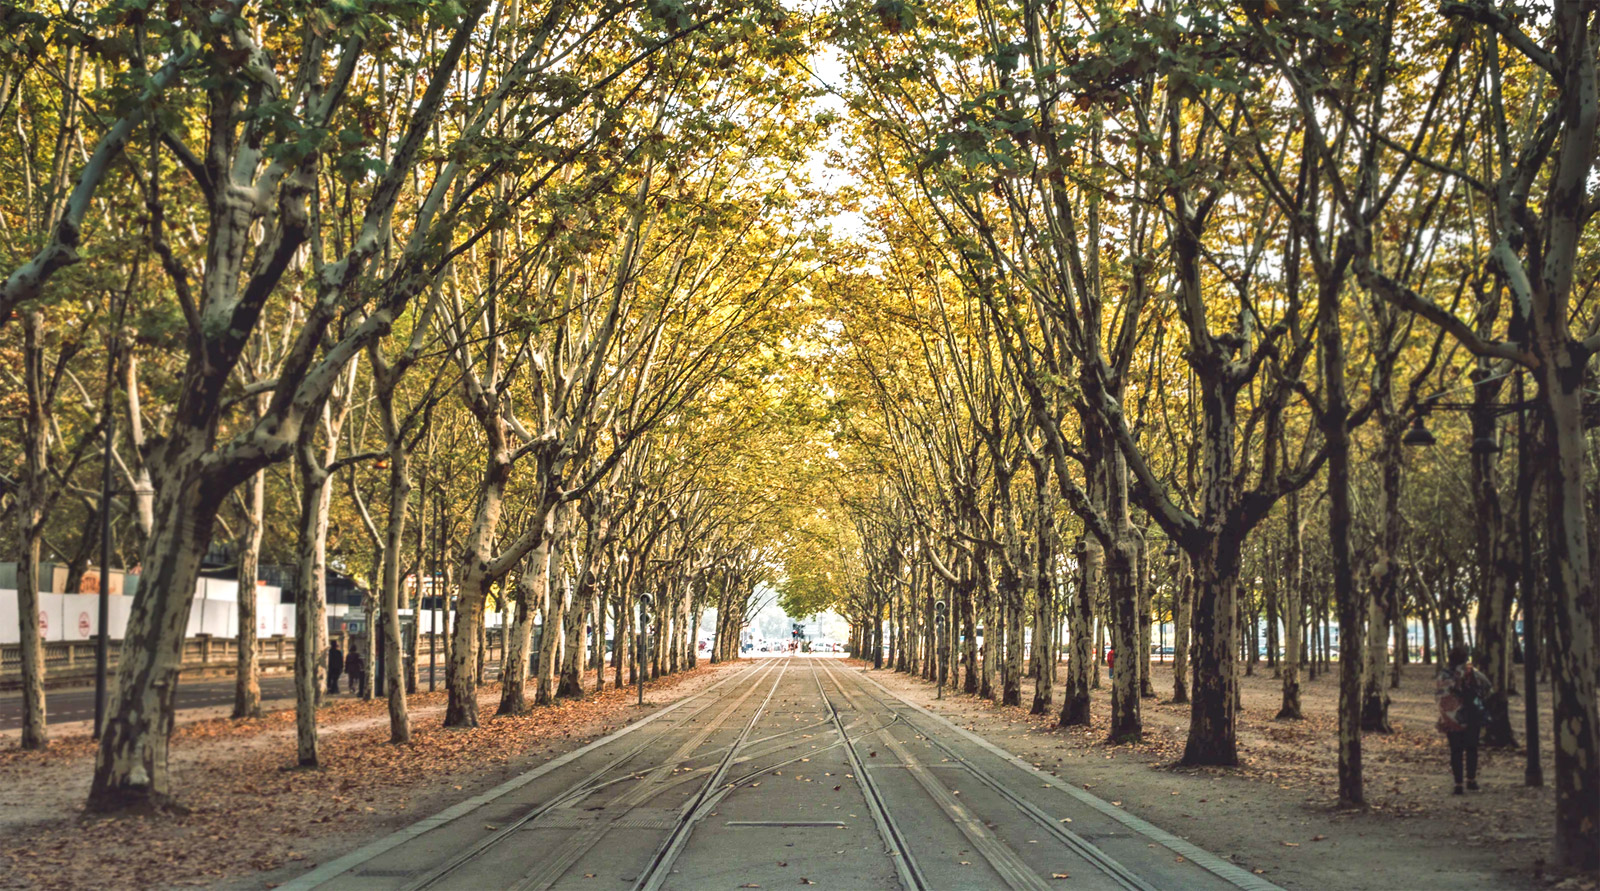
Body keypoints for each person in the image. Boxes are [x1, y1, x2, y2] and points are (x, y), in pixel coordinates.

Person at [1437, 645, 1492, 795]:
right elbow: (1487, 686)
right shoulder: (1471, 672)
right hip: (1471, 715)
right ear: (1465, 658)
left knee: (1455, 751)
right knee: (1472, 748)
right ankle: (1472, 780)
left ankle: (1458, 784)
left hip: (1451, 717)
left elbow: (1440, 695)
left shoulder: (1443, 675)